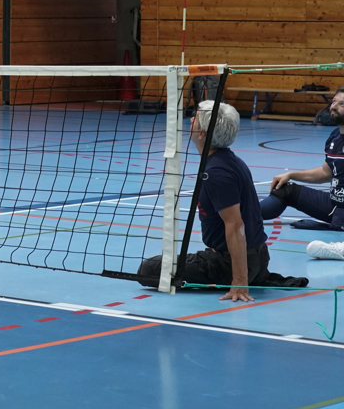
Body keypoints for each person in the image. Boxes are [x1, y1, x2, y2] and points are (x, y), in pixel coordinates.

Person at [136, 101, 290, 301]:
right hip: (257, 258)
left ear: (202, 133)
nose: (191, 119)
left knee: (148, 269)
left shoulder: (216, 173)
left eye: (196, 117)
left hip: (227, 264)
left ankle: (242, 276)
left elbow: (235, 225)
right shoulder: (228, 160)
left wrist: (239, 282)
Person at [260, 87, 344, 232]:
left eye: (342, 104)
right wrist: (291, 174)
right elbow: (325, 172)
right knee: (285, 190)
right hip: (334, 203)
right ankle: (241, 214)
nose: (334, 106)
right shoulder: (335, 136)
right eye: (334, 101)